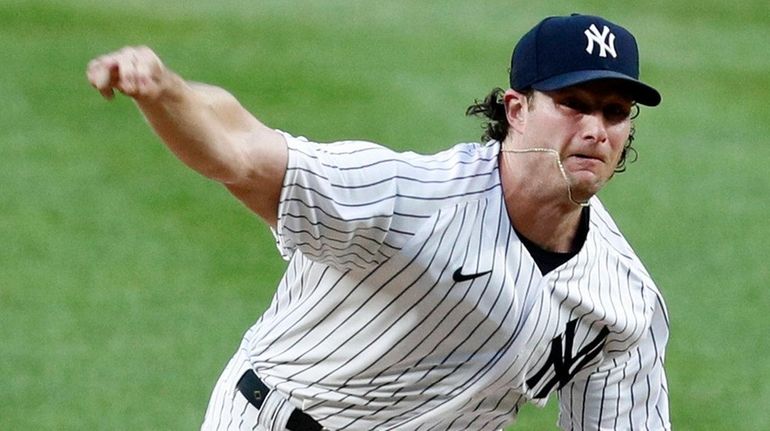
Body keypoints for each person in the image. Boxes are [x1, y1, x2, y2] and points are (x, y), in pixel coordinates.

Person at [87, 13, 670, 431]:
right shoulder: (408, 197)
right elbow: (240, 150)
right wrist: (166, 93)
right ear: (516, 110)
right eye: (575, 104)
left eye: (615, 112)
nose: (597, 128)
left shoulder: (624, 300)